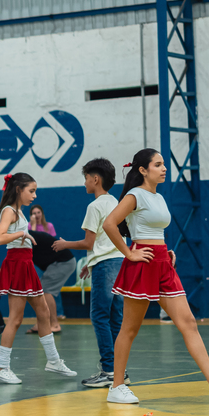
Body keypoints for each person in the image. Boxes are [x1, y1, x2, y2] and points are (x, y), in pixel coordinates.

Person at [100, 149, 209, 405]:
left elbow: (154, 229)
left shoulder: (158, 197)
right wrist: (129, 253)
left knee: (188, 322)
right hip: (142, 264)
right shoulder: (135, 195)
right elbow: (109, 224)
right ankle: (117, 387)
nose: (164, 168)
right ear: (143, 170)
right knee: (129, 329)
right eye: (158, 164)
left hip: (163, 264)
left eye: (163, 164)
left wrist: (165, 250)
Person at [0, 172, 75, 384]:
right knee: (16, 319)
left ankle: (53, 361)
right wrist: (22, 234)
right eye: (31, 191)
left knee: (44, 313)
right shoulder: (9, 211)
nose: (34, 195)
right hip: (17, 265)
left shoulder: (18, 211)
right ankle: (1, 367)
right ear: (19, 190)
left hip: (26, 265)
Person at [53, 157, 127, 388]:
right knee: (115, 318)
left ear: (96, 179)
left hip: (106, 266)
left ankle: (108, 370)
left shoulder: (94, 206)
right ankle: (119, 372)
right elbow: (109, 241)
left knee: (99, 316)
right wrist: (91, 262)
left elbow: (88, 242)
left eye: (86, 178)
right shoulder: (116, 202)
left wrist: (65, 244)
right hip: (119, 264)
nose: (84, 182)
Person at [26, 227, 74, 334]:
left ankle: (54, 324)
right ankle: (42, 324)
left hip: (63, 262)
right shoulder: (22, 238)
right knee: (39, 291)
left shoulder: (26, 238)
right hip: (55, 264)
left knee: (45, 290)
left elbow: (24, 261)